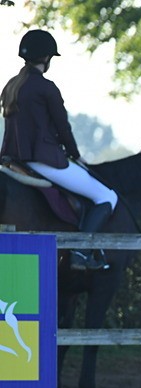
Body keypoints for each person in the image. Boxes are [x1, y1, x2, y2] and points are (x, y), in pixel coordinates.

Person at [1, 30, 119, 270]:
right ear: (46, 57)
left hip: (12, 160)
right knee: (107, 196)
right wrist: (76, 155)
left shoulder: (11, 85)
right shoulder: (45, 87)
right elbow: (62, 128)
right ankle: (79, 252)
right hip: (43, 161)